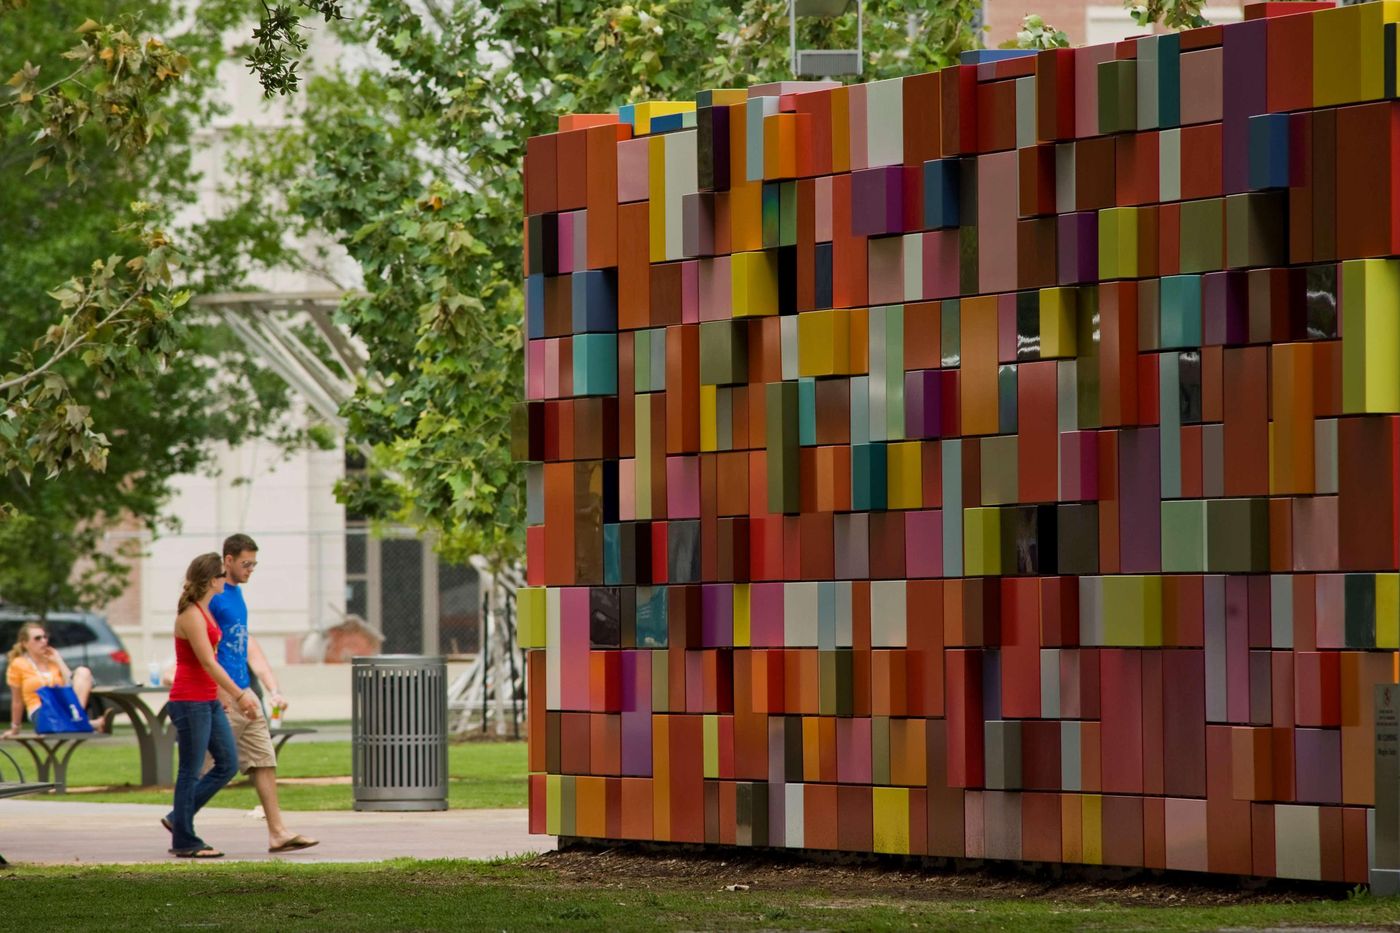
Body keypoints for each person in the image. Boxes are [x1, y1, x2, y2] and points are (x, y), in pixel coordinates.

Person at [208, 533, 318, 853]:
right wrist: (220, 691)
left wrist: (272, 689)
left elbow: (247, 646)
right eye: (246, 564)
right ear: (228, 560)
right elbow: (207, 648)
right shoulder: (214, 597)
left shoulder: (237, 595)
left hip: (245, 692)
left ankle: (277, 833)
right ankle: (180, 819)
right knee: (210, 767)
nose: (251, 570)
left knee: (264, 760)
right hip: (226, 695)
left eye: (254, 564)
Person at [164, 552, 263, 858]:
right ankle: (184, 840)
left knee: (228, 764)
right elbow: (208, 662)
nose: (225, 579)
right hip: (189, 701)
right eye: (222, 575)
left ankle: (178, 818)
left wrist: (221, 695)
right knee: (190, 771)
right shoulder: (191, 615)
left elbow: (212, 659)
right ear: (211, 580)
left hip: (207, 699)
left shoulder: (205, 611)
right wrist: (240, 694)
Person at [3, 622, 114, 738]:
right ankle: (90, 723)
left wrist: (58, 659)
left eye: (45, 637)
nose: (43, 641)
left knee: (83, 672)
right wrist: (15, 728)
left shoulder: (52, 661)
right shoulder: (18, 664)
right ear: (25, 643)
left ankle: (78, 718)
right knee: (56, 716)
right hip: (40, 710)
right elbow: (17, 701)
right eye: (37, 638)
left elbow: (71, 684)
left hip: (63, 706)